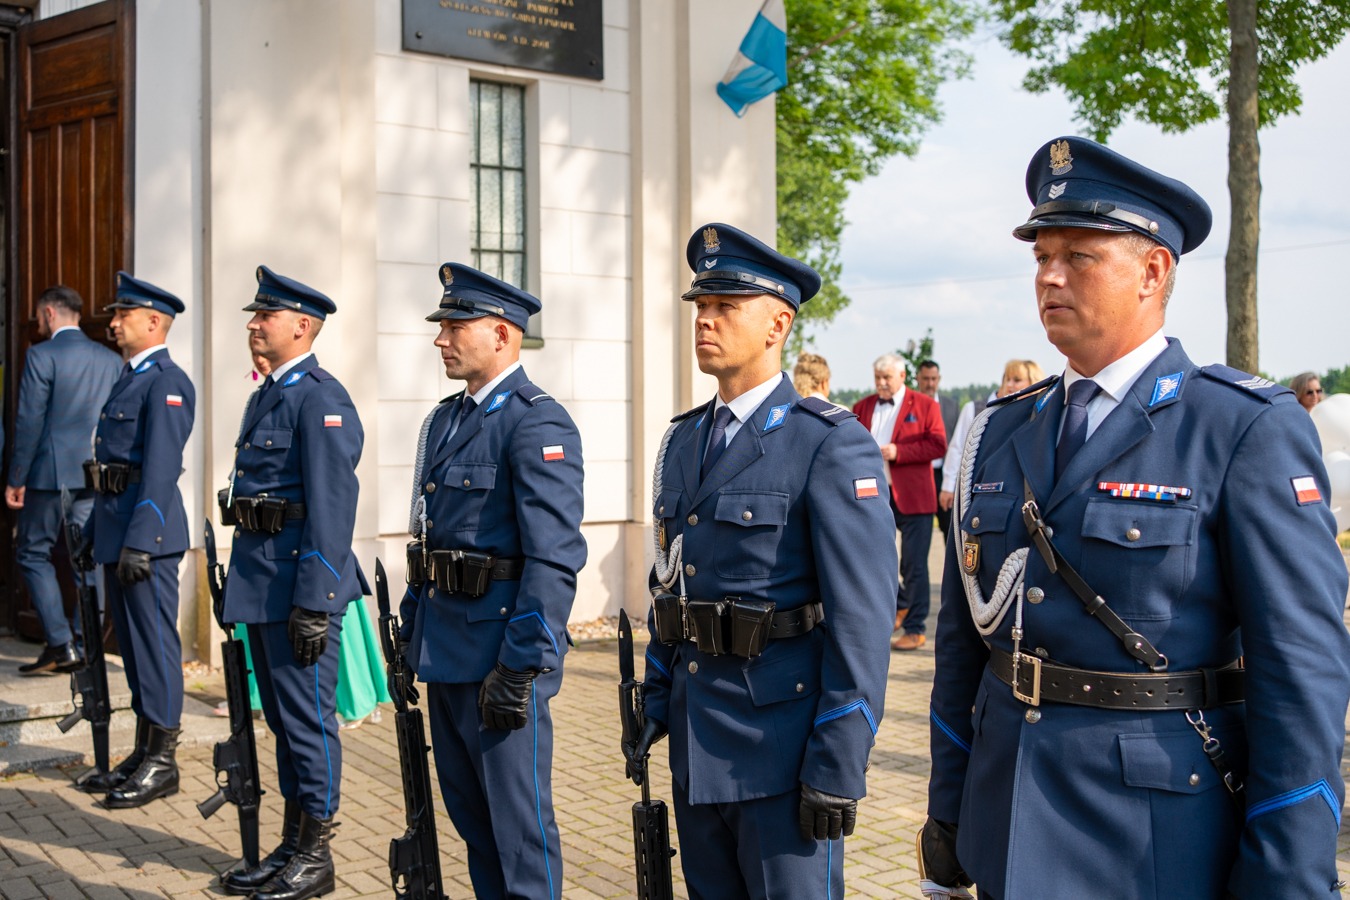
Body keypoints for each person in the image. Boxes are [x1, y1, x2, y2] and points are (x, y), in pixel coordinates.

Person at [924, 136, 1350, 899]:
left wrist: (1286, 873)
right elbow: (965, 646)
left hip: (1151, 837)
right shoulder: (1000, 430)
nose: (1049, 276)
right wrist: (949, 811)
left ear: (1154, 270)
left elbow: (1301, 674)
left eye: (1079, 255)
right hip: (1007, 815)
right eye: (1040, 256)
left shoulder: (1240, 427)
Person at [626, 223, 897, 898]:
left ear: (777, 323)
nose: (706, 320)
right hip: (698, 744)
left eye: (725, 307)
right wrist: (655, 701)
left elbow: (862, 622)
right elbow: (673, 586)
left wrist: (839, 761)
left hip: (782, 752)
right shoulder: (686, 441)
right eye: (700, 307)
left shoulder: (828, 443)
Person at [396, 262, 585, 900]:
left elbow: (554, 558)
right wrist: (409, 637)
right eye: (441, 325)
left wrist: (523, 666)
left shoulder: (537, 422)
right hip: (447, 656)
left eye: (454, 325)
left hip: (499, 662)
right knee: (476, 830)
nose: (440, 338)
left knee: (520, 836)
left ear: (502, 334)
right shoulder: (447, 421)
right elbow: (429, 539)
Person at [217, 266, 366, 900]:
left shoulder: (320, 398)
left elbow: (332, 510)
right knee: (281, 722)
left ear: (302, 326)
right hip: (263, 583)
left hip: (300, 592)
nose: (253, 324)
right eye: (255, 315)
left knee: (309, 722)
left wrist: (317, 600)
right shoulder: (267, 394)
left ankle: (317, 853)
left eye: (265, 316)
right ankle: (291, 843)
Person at [85, 273, 195, 806]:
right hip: (117, 530)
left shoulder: (167, 382)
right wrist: (93, 530)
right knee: (130, 649)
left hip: (145, 537)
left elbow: (158, 470)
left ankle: (163, 761)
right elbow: (113, 465)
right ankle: (142, 749)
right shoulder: (130, 377)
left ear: (153, 321)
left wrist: (142, 540)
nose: (112, 323)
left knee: (154, 648)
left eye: (121, 315)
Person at [6, 285, 121, 675]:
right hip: (92, 473)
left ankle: (60, 644)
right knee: (86, 560)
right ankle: (87, 644)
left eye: (39, 317)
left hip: (47, 475)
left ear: (50, 314)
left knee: (32, 552)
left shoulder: (41, 355)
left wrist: (16, 476)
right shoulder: (110, 360)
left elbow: (30, 420)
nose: (38, 323)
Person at [853, 354, 946, 650]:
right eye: (877, 378)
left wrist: (899, 452)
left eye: (887, 378)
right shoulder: (862, 406)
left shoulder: (926, 405)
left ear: (902, 376)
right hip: (875, 496)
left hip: (915, 498)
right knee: (876, 559)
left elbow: (937, 445)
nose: (881, 383)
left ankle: (916, 628)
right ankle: (899, 606)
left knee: (914, 565)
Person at [937, 359, 1045, 515]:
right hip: (974, 490)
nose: (1010, 385)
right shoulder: (974, 409)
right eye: (1007, 379)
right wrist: (948, 486)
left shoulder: (1038, 416)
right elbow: (957, 449)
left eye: (1017, 380)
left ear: (1034, 383)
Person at [917, 360, 959, 537]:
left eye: (934, 379)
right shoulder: (911, 405)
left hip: (944, 475)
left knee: (949, 528)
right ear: (918, 378)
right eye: (926, 379)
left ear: (939, 379)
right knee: (919, 532)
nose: (930, 383)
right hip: (920, 474)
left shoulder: (951, 406)